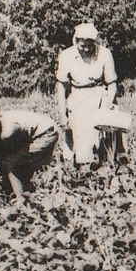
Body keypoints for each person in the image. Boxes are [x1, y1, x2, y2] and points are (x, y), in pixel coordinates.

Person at [55, 22, 118, 166]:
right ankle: (80, 170)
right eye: (83, 46)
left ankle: (107, 168)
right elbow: (61, 88)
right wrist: (62, 115)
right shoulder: (66, 56)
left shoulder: (105, 54)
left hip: (101, 98)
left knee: (104, 141)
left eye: (90, 45)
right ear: (75, 41)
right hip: (78, 100)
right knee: (81, 147)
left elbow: (112, 84)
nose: (87, 49)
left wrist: (107, 108)